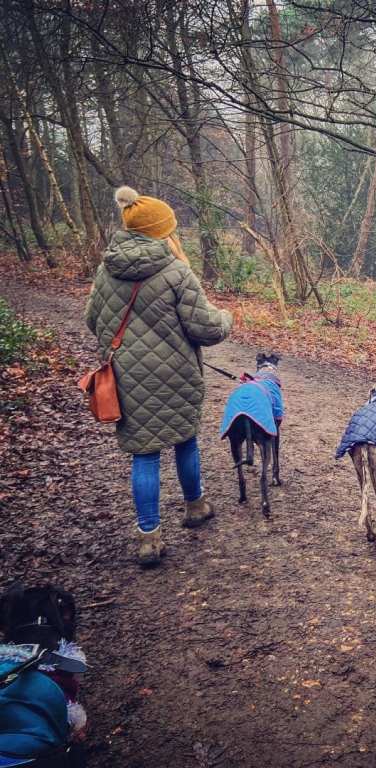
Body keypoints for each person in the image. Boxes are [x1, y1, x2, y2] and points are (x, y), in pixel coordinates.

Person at [86, 186, 232, 567]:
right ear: (160, 231)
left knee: (145, 454)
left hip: (127, 378)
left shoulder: (106, 269)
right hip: (176, 374)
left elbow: (92, 319)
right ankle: (195, 506)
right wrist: (228, 318)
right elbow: (208, 329)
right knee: (185, 441)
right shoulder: (175, 271)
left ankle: (149, 537)